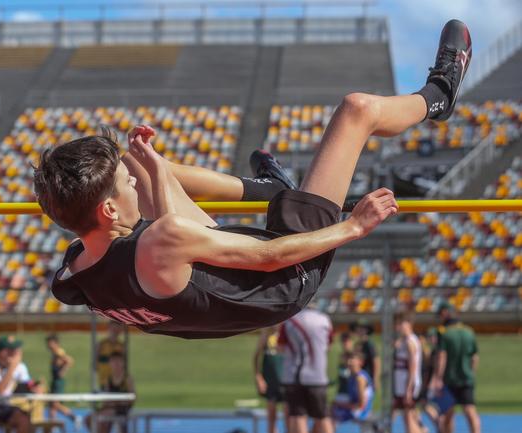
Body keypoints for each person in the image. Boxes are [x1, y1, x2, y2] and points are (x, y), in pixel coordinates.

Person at [40, 20, 472, 339]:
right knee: (358, 111)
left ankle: (265, 190)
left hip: (212, 284)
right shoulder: (157, 243)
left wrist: (150, 172)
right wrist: (352, 227)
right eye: (125, 186)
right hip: (283, 279)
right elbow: (270, 257)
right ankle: (439, 94)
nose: (132, 184)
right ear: (111, 209)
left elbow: (167, 250)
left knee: (145, 170)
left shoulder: (72, 278)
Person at [278, 306, 333, 433]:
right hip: (318, 377)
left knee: (298, 416)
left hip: (294, 376)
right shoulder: (324, 320)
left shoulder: (290, 321)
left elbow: (280, 347)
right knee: (322, 416)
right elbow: (328, 345)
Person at [430, 302, 481, 433]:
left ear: (444, 314)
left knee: (448, 413)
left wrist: (438, 377)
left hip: (449, 379)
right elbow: (474, 357)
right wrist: (471, 373)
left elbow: (442, 357)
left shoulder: (444, 333)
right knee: (470, 410)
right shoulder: (469, 332)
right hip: (466, 377)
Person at [85, 351, 136, 433]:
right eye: (113, 362)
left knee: (103, 417)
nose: (116, 364)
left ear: (123, 363)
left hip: (122, 408)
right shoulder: (109, 379)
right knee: (88, 419)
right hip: (109, 408)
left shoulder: (127, 378)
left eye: (118, 361)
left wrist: (118, 402)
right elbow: (106, 397)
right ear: (110, 364)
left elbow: (133, 397)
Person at [253, 326, 288, 433]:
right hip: (271, 381)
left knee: (289, 416)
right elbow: (256, 357)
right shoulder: (266, 334)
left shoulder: (287, 332)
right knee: (272, 418)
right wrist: (258, 377)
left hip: (286, 381)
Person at [393, 312, 423, 433]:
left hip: (407, 385)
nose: (398, 327)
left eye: (401, 324)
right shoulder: (403, 341)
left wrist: (409, 389)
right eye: (397, 324)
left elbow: (413, 367)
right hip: (401, 384)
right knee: (408, 417)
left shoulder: (411, 342)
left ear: (409, 324)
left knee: (409, 419)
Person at [45, 334, 81, 427]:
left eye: (50, 343)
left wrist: (63, 371)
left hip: (58, 381)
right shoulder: (54, 353)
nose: (48, 345)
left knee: (54, 404)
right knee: (52, 406)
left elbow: (69, 360)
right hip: (55, 380)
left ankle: (73, 417)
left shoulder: (58, 352)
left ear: (56, 343)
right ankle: (52, 427)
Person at [332, 351, 374, 426]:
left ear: (360, 362)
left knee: (328, 417)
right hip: (354, 408)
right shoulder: (352, 377)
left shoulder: (360, 378)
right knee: (328, 411)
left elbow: (361, 405)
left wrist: (341, 405)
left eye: (352, 360)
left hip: (361, 412)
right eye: (349, 359)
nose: (349, 362)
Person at [350, 319, 381, 393]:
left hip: (367, 376)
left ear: (367, 330)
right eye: (358, 328)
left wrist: (375, 379)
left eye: (362, 328)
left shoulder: (369, 345)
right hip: (358, 376)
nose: (359, 330)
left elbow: (376, 362)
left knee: (364, 401)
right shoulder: (358, 344)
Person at [97, 321, 127, 387]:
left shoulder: (121, 345)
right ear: (109, 328)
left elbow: (124, 363)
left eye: (117, 329)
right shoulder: (102, 344)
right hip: (104, 378)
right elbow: (95, 361)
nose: (115, 332)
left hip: (119, 380)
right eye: (113, 329)